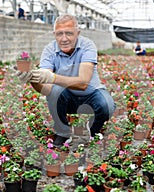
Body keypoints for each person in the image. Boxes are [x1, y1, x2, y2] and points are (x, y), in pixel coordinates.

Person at [16, 14, 116, 148]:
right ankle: (63, 132)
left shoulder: (87, 46)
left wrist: (53, 77)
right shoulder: (50, 50)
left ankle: (92, 131)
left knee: (107, 106)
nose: (64, 39)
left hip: (91, 94)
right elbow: (46, 89)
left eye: (69, 33)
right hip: (66, 98)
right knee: (55, 90)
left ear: (77, 33)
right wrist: (33, 78)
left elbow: (83, 83)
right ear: (54, 34)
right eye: (59, 34)